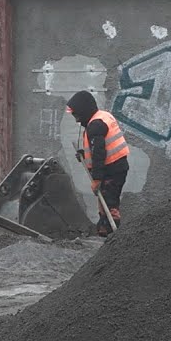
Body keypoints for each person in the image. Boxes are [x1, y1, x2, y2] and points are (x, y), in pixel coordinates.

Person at [66, 90, 129, 237]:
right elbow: (98, 149)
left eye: (77, 115)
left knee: (110, 203)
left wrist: (96, 179)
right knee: (105, 201)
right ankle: (104, 231)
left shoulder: (96, 125)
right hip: (116, 168)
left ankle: (113, 235)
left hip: (112, 170)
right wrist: (84, 156)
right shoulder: (102, 117)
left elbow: (98, 154)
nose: (77, 120)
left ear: (84, 111)